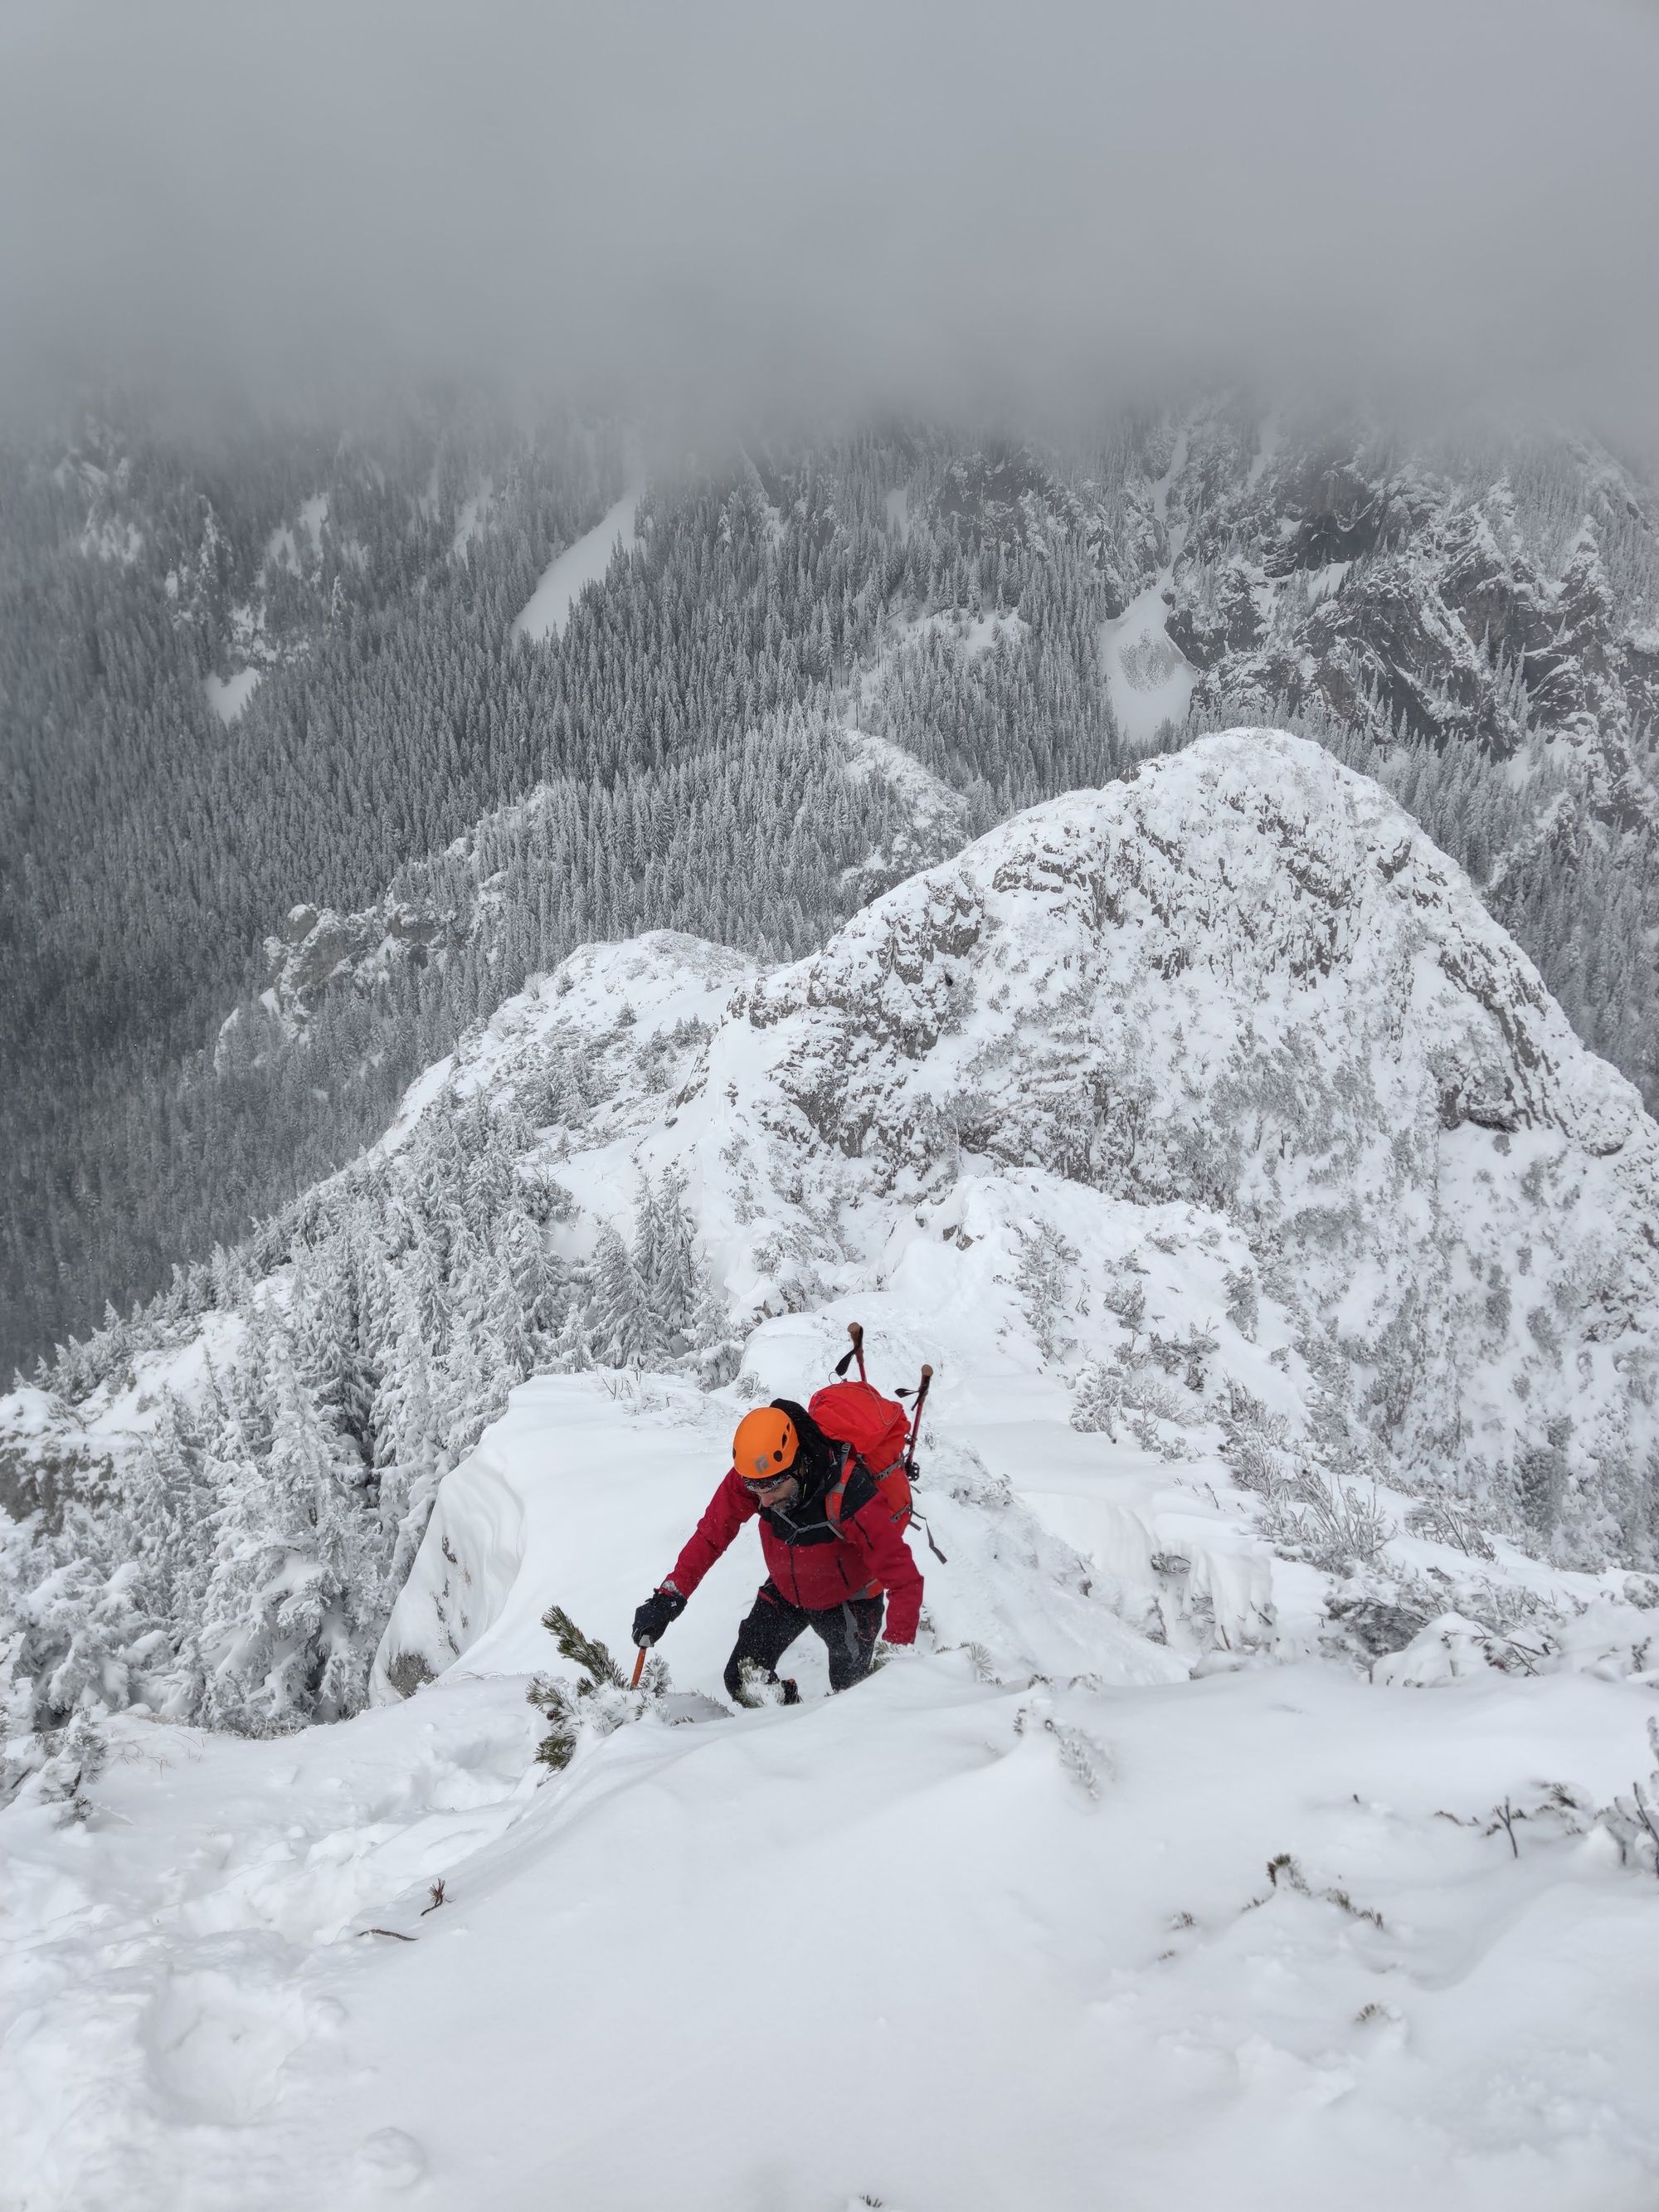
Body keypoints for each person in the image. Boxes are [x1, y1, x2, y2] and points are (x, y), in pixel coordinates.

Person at [631, 1398, 923, 1702]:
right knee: (743, 1680)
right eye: (756, 1491)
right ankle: (787, 1725)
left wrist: (897, 1656)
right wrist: (668, 1598)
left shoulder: (849, 1490)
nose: (764, 1501)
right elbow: (711, 1536)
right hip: (788, 1589)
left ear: (797, 1464)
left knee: (853, 1697)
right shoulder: (757, 1477)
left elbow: (904, 1578)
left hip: (850, 1602)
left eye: (772, 1489)